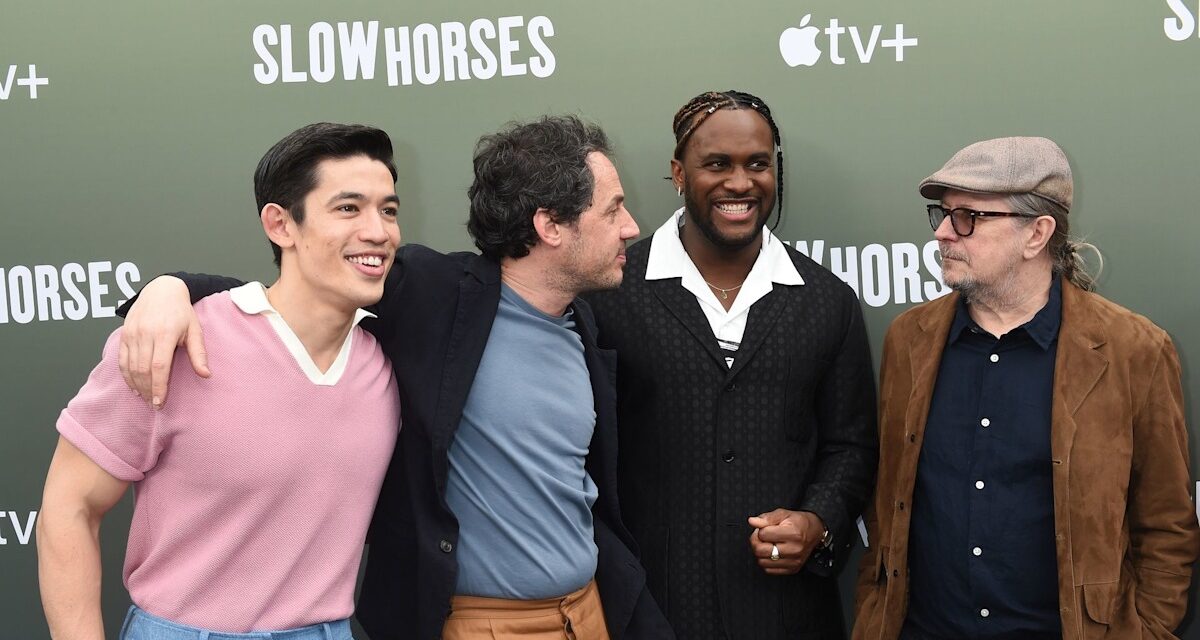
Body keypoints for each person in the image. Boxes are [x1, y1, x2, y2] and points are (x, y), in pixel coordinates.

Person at [114, 116, 674, 640]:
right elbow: (297, 289)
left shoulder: (590, 323)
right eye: (613, 209)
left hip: (588, 612)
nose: (631, 226)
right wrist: (169, 288)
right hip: (480, 624)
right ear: (550, 225)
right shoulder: (433, 293)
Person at [36, 122, 402, 639]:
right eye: (348, 208)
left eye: (388, 210)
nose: (379, 231)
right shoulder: (172, 344)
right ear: (280, 225)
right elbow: (69, 505)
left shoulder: (388, 359)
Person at [853, 136, 1199, 640]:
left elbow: (1166, 524)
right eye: (943, 214)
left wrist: (1145, 629)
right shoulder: (909, 341)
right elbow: (888, 506)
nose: (944, 234)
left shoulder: (1134, 350)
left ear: (1037, 234)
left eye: (968, 217)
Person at [585, 90, 878, 639]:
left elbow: (851, 445)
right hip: (649, 608)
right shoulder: (611, 292)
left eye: (757, 164)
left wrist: (817, 522)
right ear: (678, 172)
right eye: (717, 164)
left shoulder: (825, 300)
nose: (740, 183)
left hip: (789, 614)